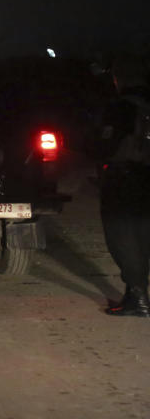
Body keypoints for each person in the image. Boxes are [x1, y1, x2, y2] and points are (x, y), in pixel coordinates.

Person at [96, 54, 150, 317]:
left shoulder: (120, 107)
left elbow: (106, 143)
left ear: (119, 79)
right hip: (145, 176)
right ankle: (136, 292)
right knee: (141, 234)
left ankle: (138, 298)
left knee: (122, 236)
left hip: (124, 178)